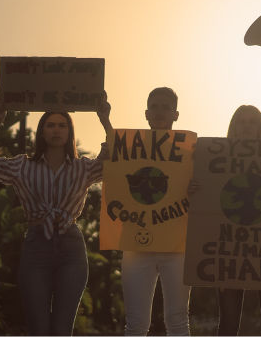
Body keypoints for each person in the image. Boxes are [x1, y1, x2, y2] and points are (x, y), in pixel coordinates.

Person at [0, 93, 110, 335]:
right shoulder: (22, 166)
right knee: (38, 328)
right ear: (41, 131)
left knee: (62, 329)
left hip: (71, 246)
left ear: (70, 132)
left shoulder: (83, 167)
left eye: (62, 125)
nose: (56, 130)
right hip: (36, 244)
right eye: (50, 125)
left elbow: (116, 162)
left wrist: (105, 120)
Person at [103, 87, 191, 335]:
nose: (160, 112)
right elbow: (115, 176)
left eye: (165, 107)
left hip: (177, 246)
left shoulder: (190, 153)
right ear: (146, 113)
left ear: (175, 114)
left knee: (178, 321)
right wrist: (105, 120)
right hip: (135, 245)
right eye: (155, 106)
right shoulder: (126, 150)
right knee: (136, 323)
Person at [216, 105, 261, 336]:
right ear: (233, 128)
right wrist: (196, 189)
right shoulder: (216, 160)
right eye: (241, 122)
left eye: (252, 122)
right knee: (228, 325)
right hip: (229, 249)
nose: (246, 127)